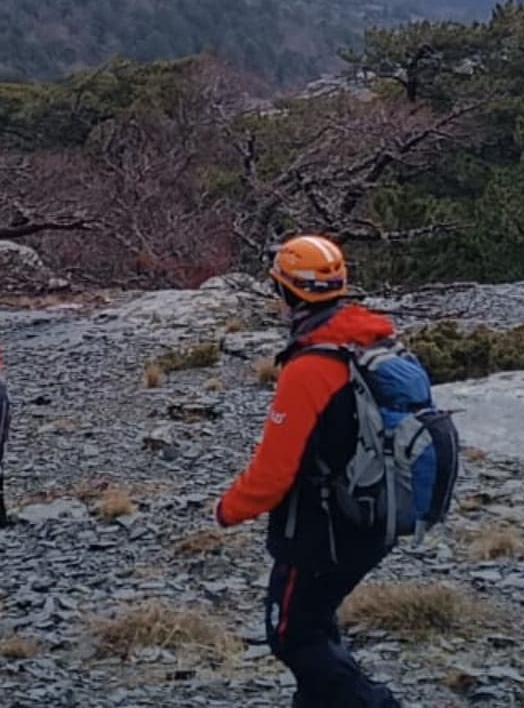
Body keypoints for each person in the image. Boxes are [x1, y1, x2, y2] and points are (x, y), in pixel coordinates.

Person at [213, 235, 404, 708]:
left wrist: (226, 510)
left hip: (326, 530)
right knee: (315, 622)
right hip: (376, 512)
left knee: (293, 635)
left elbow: (273, 474)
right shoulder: (370, 339)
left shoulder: (311, 367)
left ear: (286, 292)